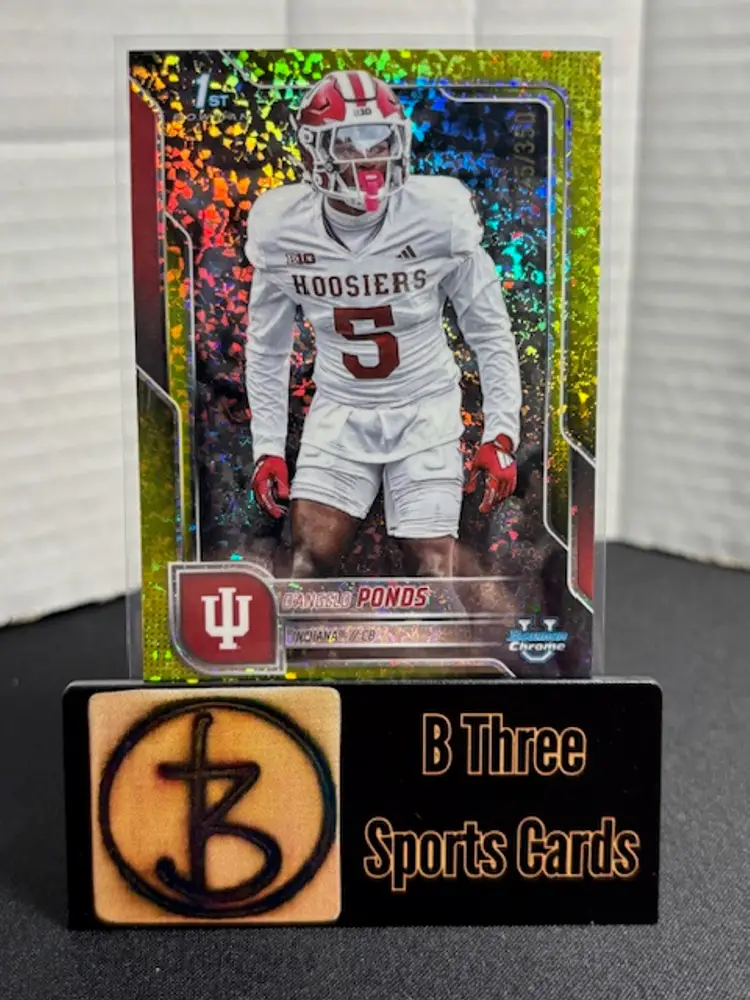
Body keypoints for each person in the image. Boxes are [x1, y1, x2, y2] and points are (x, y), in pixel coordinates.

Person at [245, 69, 522, 579]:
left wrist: (501, 434)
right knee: (306, 565)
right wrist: (267, 447)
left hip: (425, 409)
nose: (369, 158)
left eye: (380, 141)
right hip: (339, 411)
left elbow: (489, 332)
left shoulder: (438, 215)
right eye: (349, 143)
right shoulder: (282, 229)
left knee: (434, 569)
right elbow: (267, 348)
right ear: (311, 152)